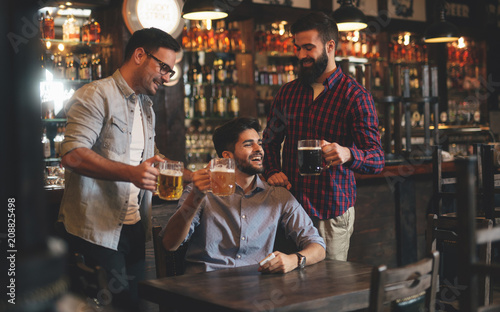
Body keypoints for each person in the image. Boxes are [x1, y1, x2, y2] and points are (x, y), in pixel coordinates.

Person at [58, 27, 189, 311]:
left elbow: (151, 157)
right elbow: (72, 155)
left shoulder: (146, 106)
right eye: (164, 67)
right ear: (140, 55)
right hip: (96, 229)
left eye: (171, 71)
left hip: (134, 228)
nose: (167, 78)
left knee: (139, 306)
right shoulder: (95, 95)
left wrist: (193, 176)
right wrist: (131, 173)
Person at [262, 12, 384, 261]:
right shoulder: (288, 93)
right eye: (298, 48)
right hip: (289, 209)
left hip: (331, 212)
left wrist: (348, 154)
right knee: (288, 283)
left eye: (309, 48)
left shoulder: (356, 96)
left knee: (327, 287)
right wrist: (272, 170)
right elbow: (269, 142)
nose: (301, 55)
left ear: (330, 46)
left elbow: (377, 159)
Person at [162, 117, 326, 274]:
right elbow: (170, 244)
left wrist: (294, 260)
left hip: (255, 287)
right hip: (205, 287)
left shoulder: (278, 196)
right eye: (248, 145)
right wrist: (195, 196)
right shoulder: (198, 192)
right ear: (227, 156)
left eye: (259, 143)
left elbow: (318, 246)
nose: (258, 149)